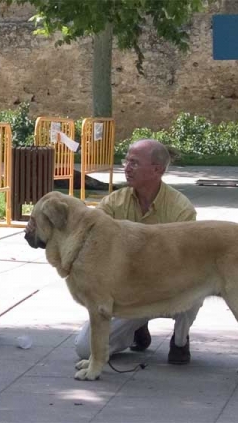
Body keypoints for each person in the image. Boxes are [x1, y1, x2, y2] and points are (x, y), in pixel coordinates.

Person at [74, 139, 203, 365]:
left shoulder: (181, 209)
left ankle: (180, 340)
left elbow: (187, 262)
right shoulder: (114, 202)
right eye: (126, 161)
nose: (126, 167)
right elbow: (89, 236)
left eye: (134, 162)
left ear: (157, 170)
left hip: (170, 289)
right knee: (85, 349)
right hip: (128, 294)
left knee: (198, 286)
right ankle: (135, 328)